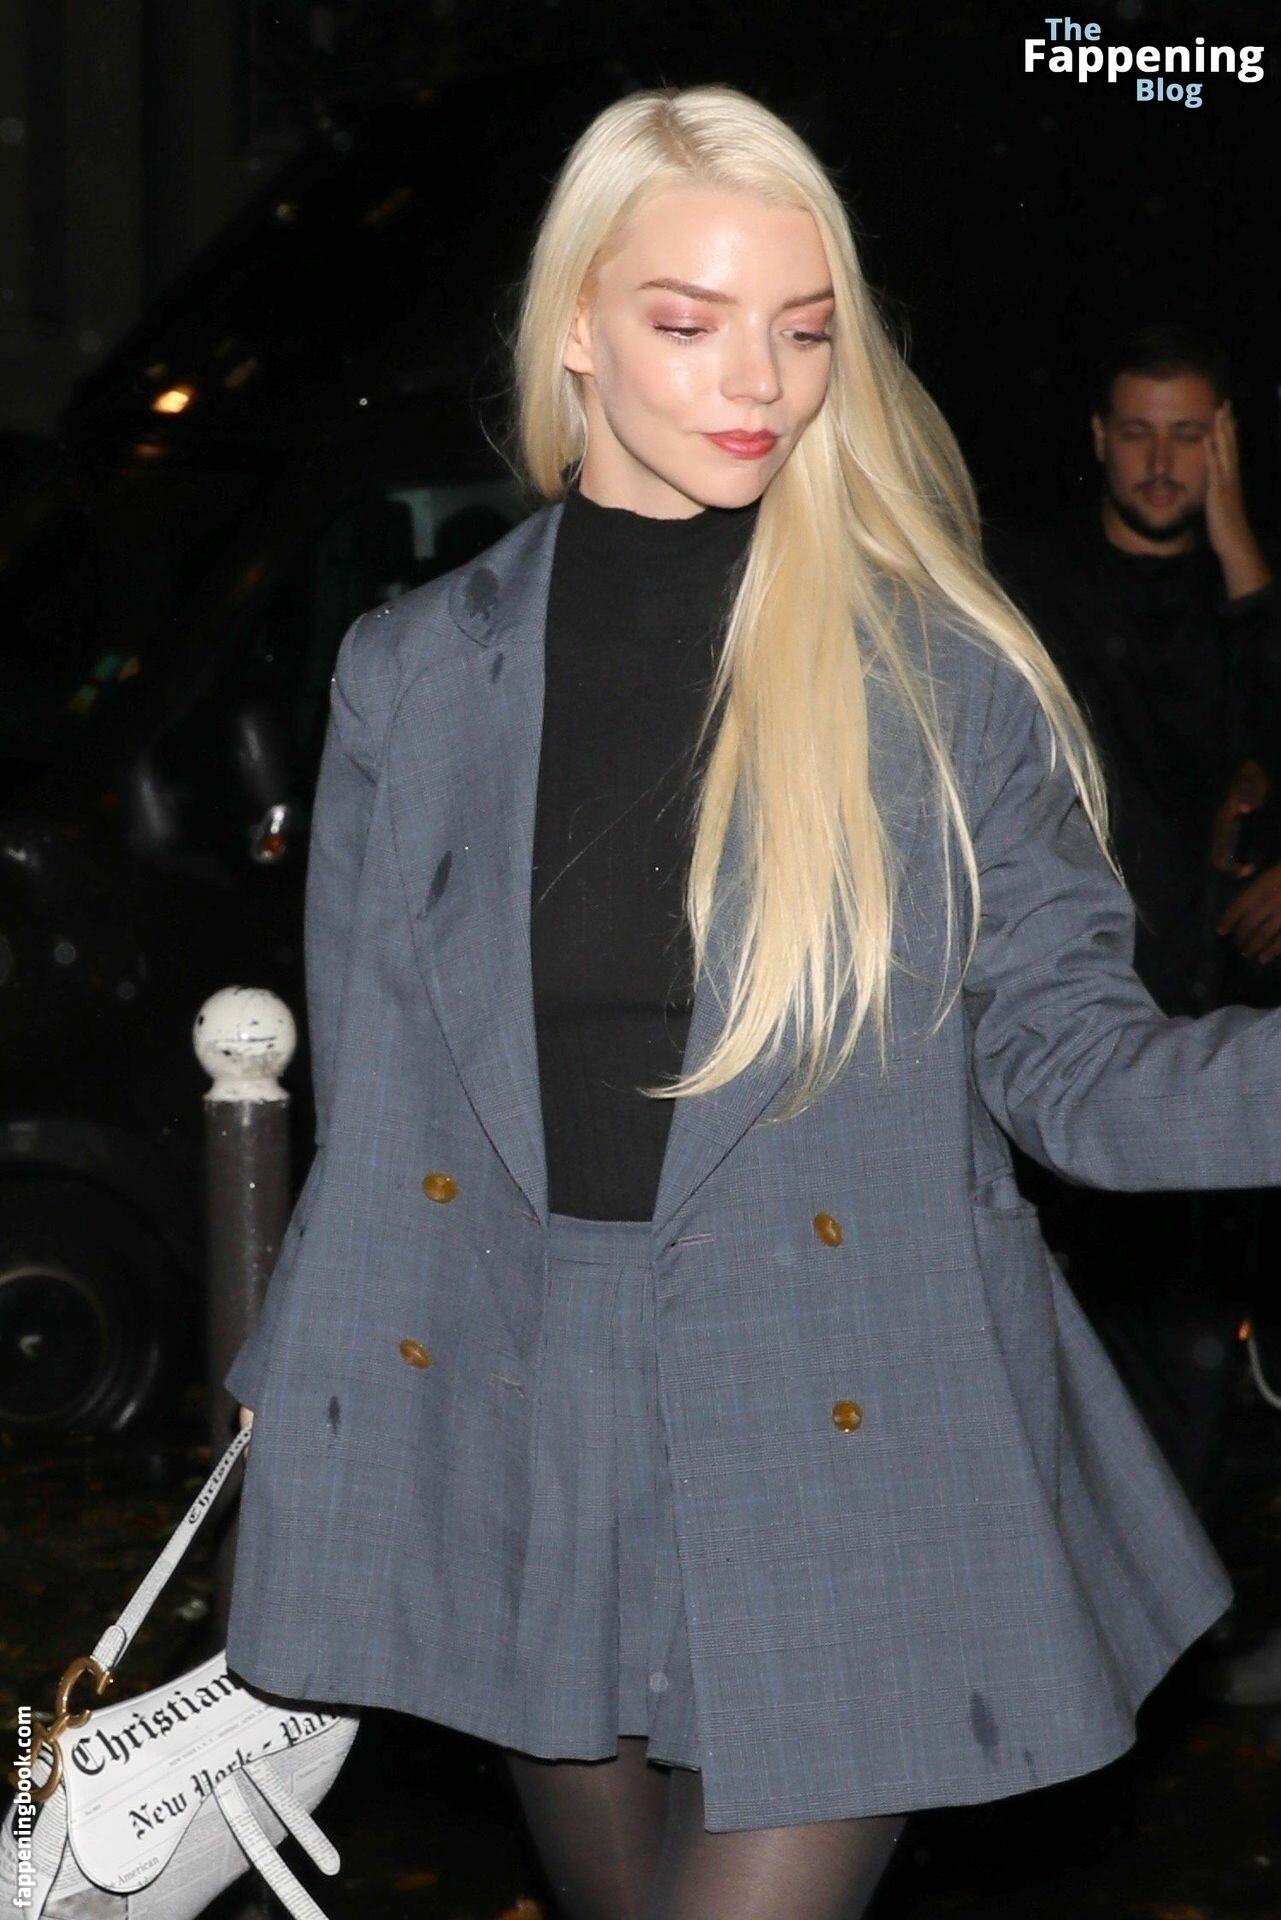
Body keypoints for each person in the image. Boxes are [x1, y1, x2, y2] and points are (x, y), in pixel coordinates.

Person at [222, 88, 1281, 1920]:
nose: (760, 384)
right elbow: (384, 1130)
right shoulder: (413, 675)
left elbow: (1077, 1070)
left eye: (802, 331)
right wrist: (310, 1452)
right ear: (576, 326)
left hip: (848, 1384)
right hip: (534, 1398)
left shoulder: (935, 674)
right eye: (689, 321)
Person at [988, 331, 1281, 1636]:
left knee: (1191, 1383)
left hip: (1206, 1045)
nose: (1162, 463)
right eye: (1140, 433)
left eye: (1190, 436)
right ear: (1099, 440)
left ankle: (1171, 1639)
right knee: (1063, 1384)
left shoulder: (1244, 598)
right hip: (1052, 1039)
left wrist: (1238, 543)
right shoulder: (1029, 583)